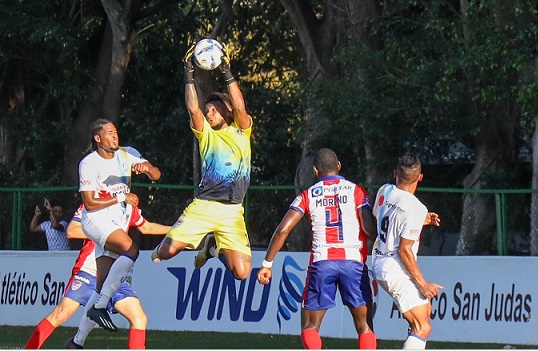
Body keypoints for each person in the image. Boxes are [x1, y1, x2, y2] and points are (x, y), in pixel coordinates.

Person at [151, 39, 253, 280]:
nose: (210, 113)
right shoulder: (206, 135)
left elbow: (240, 105)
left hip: (232, 212)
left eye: (215, 109)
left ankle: (213, 249)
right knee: (165, 253)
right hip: (204, 206)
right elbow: (193, 109)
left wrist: (227, 71)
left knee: (242, 273)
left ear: (228, 111)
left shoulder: (242, 130)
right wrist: (189, 74)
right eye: (208, 111)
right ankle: (199, 246)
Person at [257, 148, 378, 349]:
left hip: (322, 263)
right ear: (338, 166)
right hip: (354, 264)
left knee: (310, 326)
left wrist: (267, 264)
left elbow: (282, 230)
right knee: (365, 326)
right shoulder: (356, 190)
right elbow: (369, 231)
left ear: (315, 170)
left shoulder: (308, 195)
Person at [24, 204, 171, 349]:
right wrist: (101, 233)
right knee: (61, 313)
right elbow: (72, 231)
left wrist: (175, 231)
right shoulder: (93, 203)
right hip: (88, 270)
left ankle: (76, 343)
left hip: (113, 275)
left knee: (139, 318)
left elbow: (147, 227)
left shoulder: (128, 207)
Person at [78, 118, 161, 332]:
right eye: (109, 132)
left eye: (116, 131)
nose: (115, 136)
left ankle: (77, 341)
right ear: (98, 138)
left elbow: (156, 174)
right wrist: (122, 197)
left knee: (101, 284)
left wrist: (147, 169)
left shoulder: (128, 153)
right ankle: (101, 306)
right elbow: (89, 203)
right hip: (95, 220)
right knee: (131, 249)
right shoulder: (89, 163)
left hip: (116, 223)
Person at [371, 152, 442, 350]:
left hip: (379, 261)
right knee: (422, 326)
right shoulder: (415, 207)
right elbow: (405, 251)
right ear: (420, 177)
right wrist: (423, 283)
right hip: (394, 266)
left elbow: (384, 217)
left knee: (424, 310)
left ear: (395, 173)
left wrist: (421, 219)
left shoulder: (384, 191)